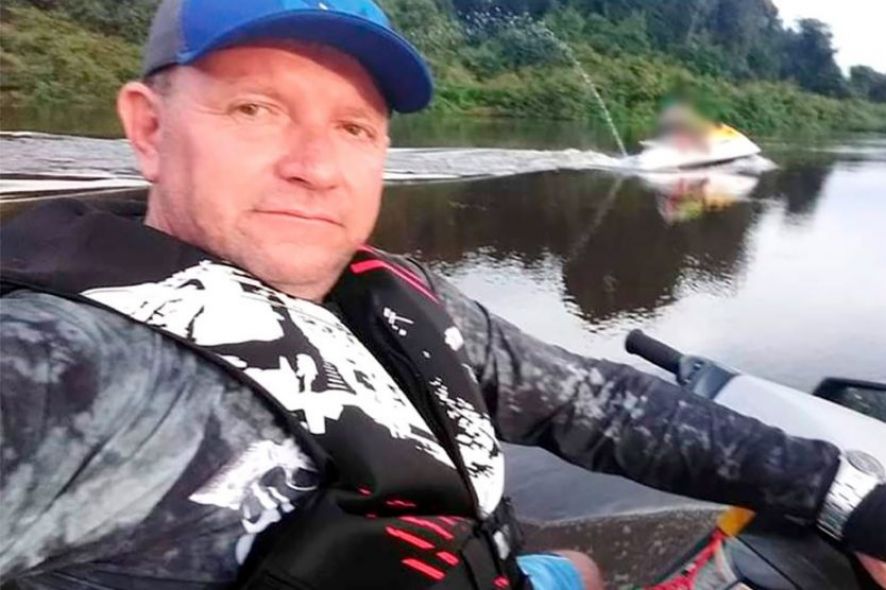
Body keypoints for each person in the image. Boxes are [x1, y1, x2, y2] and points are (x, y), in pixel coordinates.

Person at [1, 1, 884, 589]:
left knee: (577, 566)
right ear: (148, 128)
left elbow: (600, 402)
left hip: (490, 570)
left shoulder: (405, 302)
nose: (315, 166)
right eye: (255, 110)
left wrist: (848, 498)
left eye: (353, 127)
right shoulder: (59, 370)